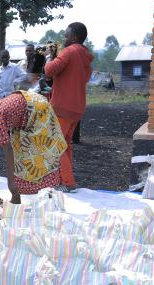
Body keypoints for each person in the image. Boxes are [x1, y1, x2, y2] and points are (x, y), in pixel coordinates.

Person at [0, 91, 67, 204]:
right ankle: (17, 197)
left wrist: (10, 182)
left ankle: (49, 195)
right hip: (22, 118)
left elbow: (7, 149)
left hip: (38, 109)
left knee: (39, 153)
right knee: (20, 153)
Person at [44, 22, 93, 191]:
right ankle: (65, 180)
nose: (64, 38)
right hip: (77, 107)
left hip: (62, 106)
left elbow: (49, 70)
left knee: (56, 145)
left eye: (66, 35)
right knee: (65, 144)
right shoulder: (85, 56)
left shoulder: (69, 52)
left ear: (74, 37)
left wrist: (49, 57)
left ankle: (68, 182)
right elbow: (83, 79)